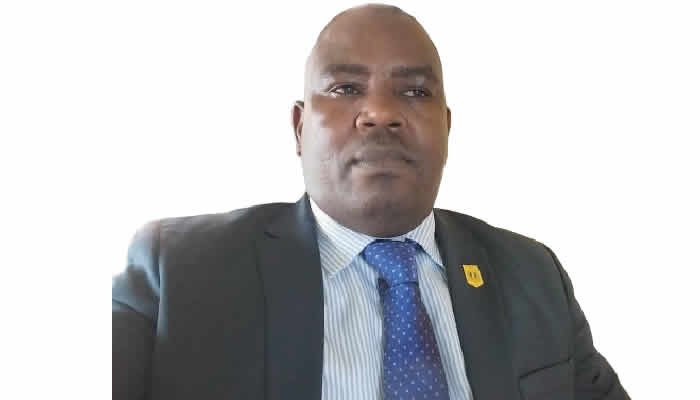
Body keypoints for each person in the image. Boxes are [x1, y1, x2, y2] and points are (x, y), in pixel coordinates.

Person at [112, 4, 629, 400]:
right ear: (299, 129)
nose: (380, 112)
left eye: (415, 92)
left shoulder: (533, 275)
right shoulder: (178, 271)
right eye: (344, 88)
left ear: (447, 129)